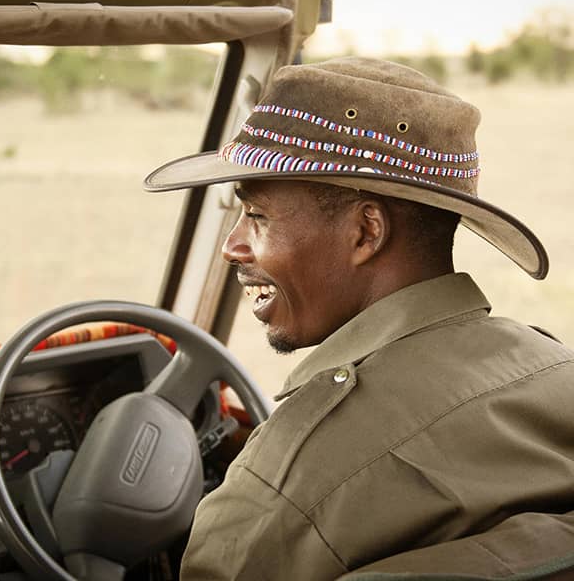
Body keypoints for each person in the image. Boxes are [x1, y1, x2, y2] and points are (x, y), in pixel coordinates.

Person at [144, 57, 574, 579]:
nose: (233, 246)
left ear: (366, 232)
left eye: (256, 215)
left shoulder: (284, 487)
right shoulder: (553, 367)